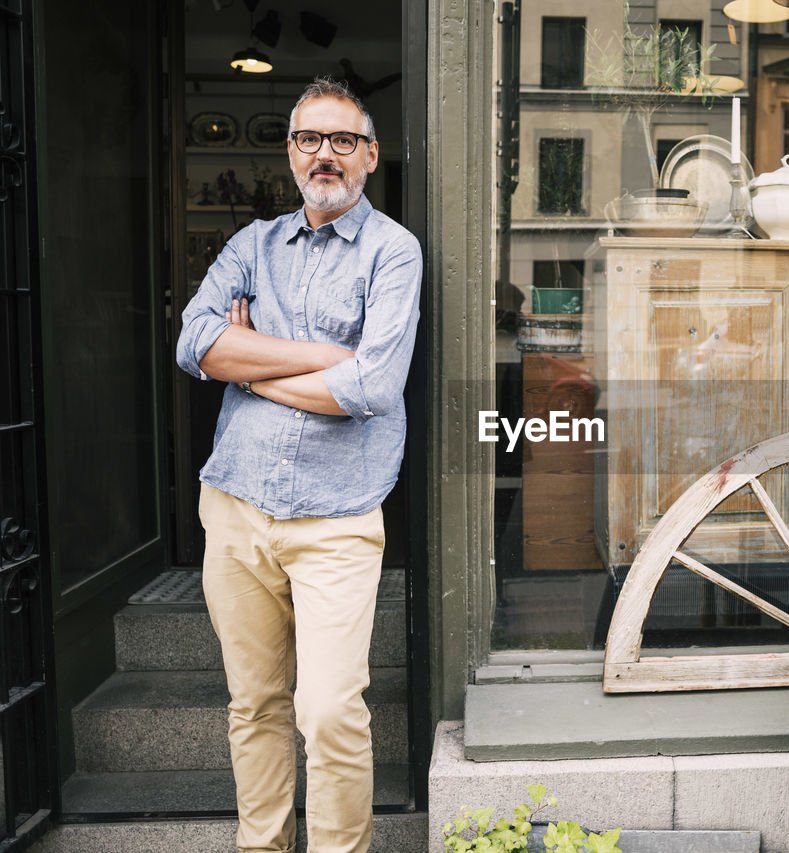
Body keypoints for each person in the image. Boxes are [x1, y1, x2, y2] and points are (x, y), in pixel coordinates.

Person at [176, 77, 421, 853]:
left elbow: (372, 384)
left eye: (342, 140)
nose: (325, 154)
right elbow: (194, 344)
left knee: (328, 709)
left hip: (338, 515)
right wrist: (316, 360)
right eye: (310, 139)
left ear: (370, 156)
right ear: (290, 152)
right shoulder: (251, 246)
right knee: (254, 703)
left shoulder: (394, 251)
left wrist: (247, 365)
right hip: (238, 503)